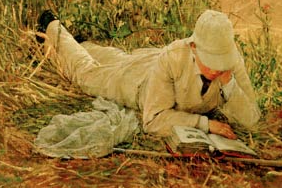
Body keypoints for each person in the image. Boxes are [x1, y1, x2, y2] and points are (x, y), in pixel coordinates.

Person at [38, 9, 260, 137]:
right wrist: (205, 124)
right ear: (194, 48)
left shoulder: (229, 60)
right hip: (137, 83)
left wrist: (230, 84)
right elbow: (153, 120)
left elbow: (252, 118)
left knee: (118, 58)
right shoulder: (174, 57)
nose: (216, 69)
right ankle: (52, 27)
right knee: (87, 75)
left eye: (220, 61)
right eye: (210, 61)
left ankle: (81, 44)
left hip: (150, 63)